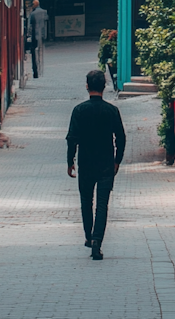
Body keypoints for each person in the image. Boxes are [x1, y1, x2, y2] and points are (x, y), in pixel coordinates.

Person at [66, 68, 126, 261]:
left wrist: (70, 162)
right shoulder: (112, 110)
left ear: (87, 86)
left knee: (86, 202)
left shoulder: (79, 110)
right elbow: (121, 137)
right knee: (102, 205)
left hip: (86, 163)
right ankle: (97, 242)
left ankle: (88, 236)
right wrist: (117, 160)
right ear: (104, 86)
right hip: (106, 164)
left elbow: (72, 139)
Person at [29, 0, 47, 78]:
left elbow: (30, 26)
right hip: (42, 36)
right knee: (41, 52)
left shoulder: (32, 14)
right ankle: (41, 70)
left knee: (34, 53)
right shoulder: (44, 12)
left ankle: (35, 72)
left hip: (34, 36)